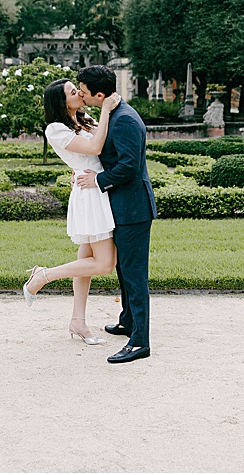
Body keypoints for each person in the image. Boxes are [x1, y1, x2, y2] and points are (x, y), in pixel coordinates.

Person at [22, 79, 122, 346]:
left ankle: (78, 321)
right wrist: (106, 110)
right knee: (104, 264)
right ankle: (44, 275)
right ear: (60, 101)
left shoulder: (83, 119)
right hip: (90, 194)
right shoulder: (55, 129)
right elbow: (94, 149)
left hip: (95, 187)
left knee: (86, 262)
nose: (79, 93)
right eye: (72, 91)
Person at [73, 65, 157, 365]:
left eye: (83, 90)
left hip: (133, 210)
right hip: (122, 207)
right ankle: (128, 322)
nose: (80, 94)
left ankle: (140, 342)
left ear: (99, 94)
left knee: (135, 276)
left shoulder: (124, 121)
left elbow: (128, 168)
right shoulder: (115, 115)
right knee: (124, 271)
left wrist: (96, 180)